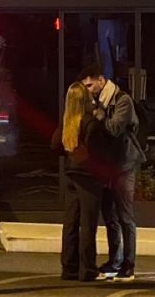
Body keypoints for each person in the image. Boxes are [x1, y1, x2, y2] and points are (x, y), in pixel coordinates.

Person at [80, 64, 146, 281]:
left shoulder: (122, 100)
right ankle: (114, 260)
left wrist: (98, 116)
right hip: (109, 165)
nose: (89, 90)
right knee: (110, 216)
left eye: (90, 85)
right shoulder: (99, 101)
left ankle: (129, 264)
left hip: (124, 164)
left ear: (101, 80)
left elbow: (116, 128)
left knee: (125, 216)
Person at [51, 81, 112, 282]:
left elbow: (55, 146)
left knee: (70, 223)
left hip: (71, 175)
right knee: (88, 225)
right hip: (89, 179)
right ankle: (87, 269)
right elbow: (100, 151)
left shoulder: (67, 122)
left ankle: (69, 268)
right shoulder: (90, 122)